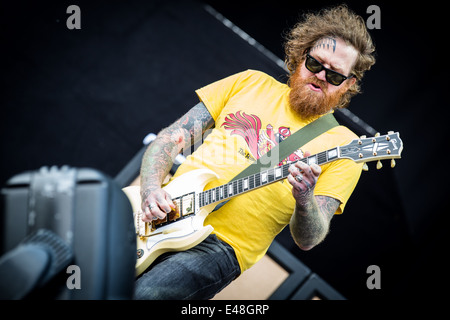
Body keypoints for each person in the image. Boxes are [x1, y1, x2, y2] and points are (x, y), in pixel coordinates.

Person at [134, 5, 376, 299]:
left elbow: (308, 238)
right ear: (300, 57)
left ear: (348, 84)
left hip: (222, 247)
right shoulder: (250, 81)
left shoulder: (345, 148)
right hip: (164, 214)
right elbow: (169, 141)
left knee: (146, 295)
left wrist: (305, 197)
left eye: (335, 76)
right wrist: (149, 191)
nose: (321, 77)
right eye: (315, 64)